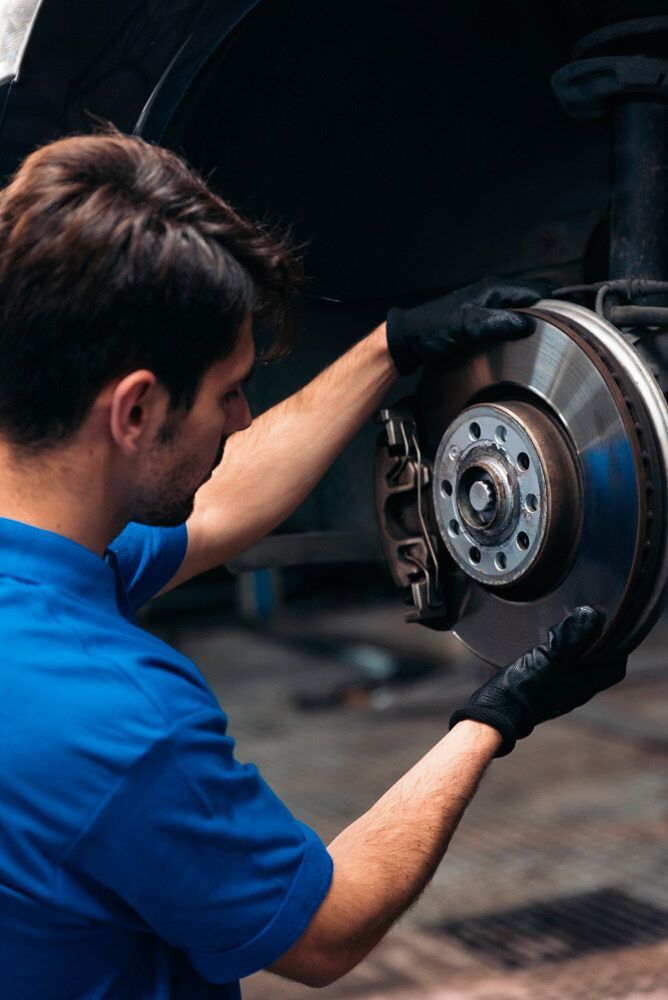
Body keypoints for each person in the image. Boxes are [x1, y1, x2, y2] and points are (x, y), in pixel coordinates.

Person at [0, 131, 625, 1000]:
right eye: (230, 392)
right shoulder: (118, 722)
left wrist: (387, 348)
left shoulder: (37, 577)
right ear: (135, 410)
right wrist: (494, 716)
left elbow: (215, 513)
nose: (244, 419)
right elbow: (326, 931)